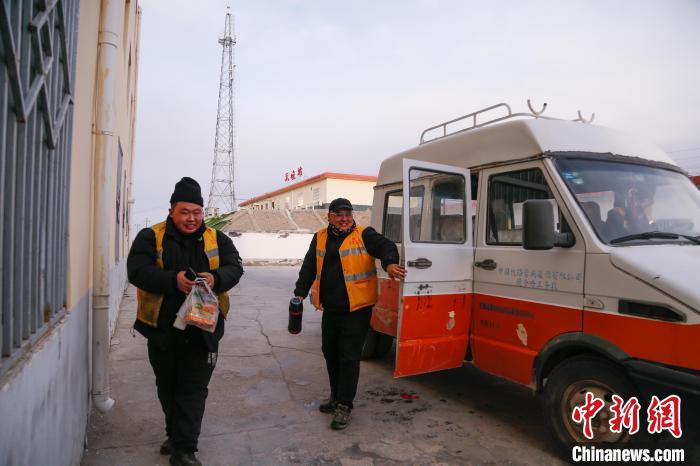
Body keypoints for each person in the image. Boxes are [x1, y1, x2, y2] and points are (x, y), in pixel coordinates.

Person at [127, 177, 243, 466]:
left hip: (203, 331)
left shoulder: (218, 239)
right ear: (171, 211)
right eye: (184, 212)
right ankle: (175, 434)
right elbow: (136, 271)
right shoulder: (150, 237)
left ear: (203, 212)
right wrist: (173, 280)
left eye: (196, 212)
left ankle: (185, 450)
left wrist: (216, 278)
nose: (191, 219)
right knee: (167, 387)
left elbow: (235, 267)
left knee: (192, 390)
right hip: (162, 331)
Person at [293, 198, 406, 430]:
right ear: (329, 216)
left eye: (348, 214)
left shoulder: (364, 234)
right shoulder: (320, 237)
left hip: (357, 309)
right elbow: (309, 266)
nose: (344, 219)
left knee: (348, 357)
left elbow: (386, 246)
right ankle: (335, 396)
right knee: (330, 352)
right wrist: (300, 293)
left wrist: (389, 264)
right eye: (339, 215)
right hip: (331, 308)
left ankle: (344, 405)